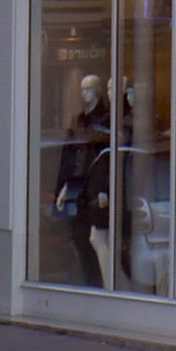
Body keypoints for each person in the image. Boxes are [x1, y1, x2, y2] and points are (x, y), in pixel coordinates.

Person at [55, 74, 110, 287]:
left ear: (98, 90)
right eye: (82, 89)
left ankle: (100, 283)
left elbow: (108, 158)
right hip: (78, 186)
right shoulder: (78, 120)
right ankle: (91, 282)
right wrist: (63, 186)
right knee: (80, 237)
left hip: (95, 186)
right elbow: (68, 154)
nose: (85, 93)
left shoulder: (105, 119)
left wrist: (105, 188)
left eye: (89, 88)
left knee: (95, 239)